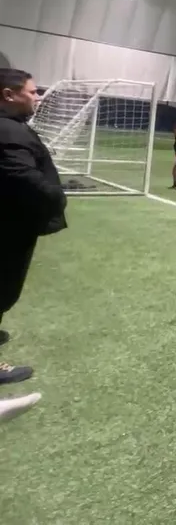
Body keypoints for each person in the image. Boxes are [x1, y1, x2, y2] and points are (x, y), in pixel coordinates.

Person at [0, 68, 69, 386]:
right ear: (8, 95)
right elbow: (21, 176)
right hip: (8, 226)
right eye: (32, 92)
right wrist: (56, 197)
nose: (37, 97)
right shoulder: (8, 131)